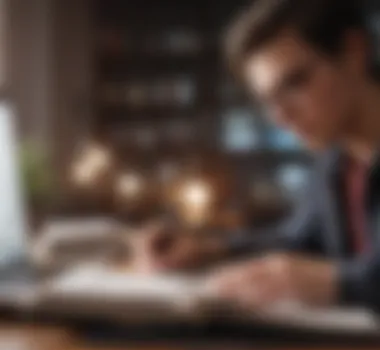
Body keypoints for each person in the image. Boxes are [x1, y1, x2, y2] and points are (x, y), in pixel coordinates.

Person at [132, 0, 380, 311]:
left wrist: (328, 282)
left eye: (295, 83)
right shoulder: (337, 163)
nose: (281, 116)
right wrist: (205, 250)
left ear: (354, 52)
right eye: (269, 101)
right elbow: (295, 240)